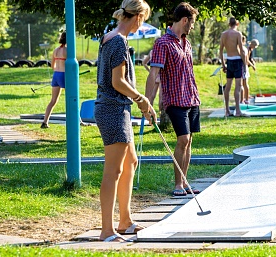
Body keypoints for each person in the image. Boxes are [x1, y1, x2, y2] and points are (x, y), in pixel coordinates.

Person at [94, 0, 156, 242]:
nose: (142, 25)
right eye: (144, 19)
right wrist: (141, 99)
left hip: (118, 108)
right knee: (114, 170)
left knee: (131, 161)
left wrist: (138, 102)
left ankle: (125, 222)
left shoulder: (111, 36)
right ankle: (107, 230)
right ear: (138, 16)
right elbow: (117, 81)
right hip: (112, 109)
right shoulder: (118, 40)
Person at [145, 2, 201, 197]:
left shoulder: (187, 43)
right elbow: (153, 74)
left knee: (189, 141)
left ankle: (185, 183)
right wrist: (148, 103)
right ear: (185, 20)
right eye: (192, 22)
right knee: (183, 139)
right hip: (175, 99)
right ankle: (178, 184)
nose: (192, 27)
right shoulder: (163, 43)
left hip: (191, 97)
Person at [219, 17, 248, 117]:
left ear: (229, 24)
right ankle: (238, 111)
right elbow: (241, 49)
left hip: (229, 61)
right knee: (238, 86)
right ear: (237, 24)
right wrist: (245, 63)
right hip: (237, 61)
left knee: (228, 87)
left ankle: (227, 110)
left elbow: (221, 51)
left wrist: (223, 64)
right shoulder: (238, 34)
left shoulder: (224, 34)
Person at [41, 31, 67, 128]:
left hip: (56, 75)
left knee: (53, 101)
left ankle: (45, 122)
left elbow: (52, 66)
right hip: (64, 75)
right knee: (73, 99)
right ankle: (79, 121)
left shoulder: (56, 50)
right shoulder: (68, 50)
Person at [241, 36, 256, 104]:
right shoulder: (247, 49)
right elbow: (247, 60)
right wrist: (252, 65)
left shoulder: (246, 49)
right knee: (243, 84)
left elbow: (248, 59)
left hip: (243, 67)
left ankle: (245, 99)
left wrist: (253, 64)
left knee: (244, 84)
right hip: (243, 67)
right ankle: (244, 98)